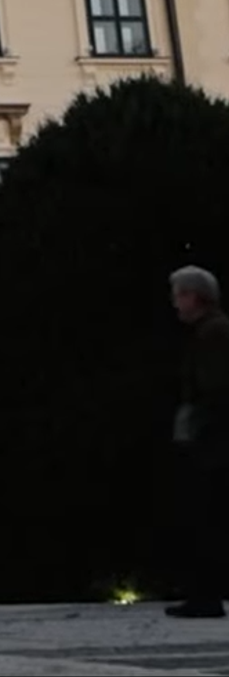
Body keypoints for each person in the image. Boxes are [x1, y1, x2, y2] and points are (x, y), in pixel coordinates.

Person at [169, 264, 229, 619]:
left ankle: (205, 595)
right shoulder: (211, 331)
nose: (176, 304)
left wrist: (200, 430)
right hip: (213, 441)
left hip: (214, 443)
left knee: (206, 519)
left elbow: (216, 389)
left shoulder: (214, 334)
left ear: (195, 297)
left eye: (179, 296)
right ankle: (203, 593)